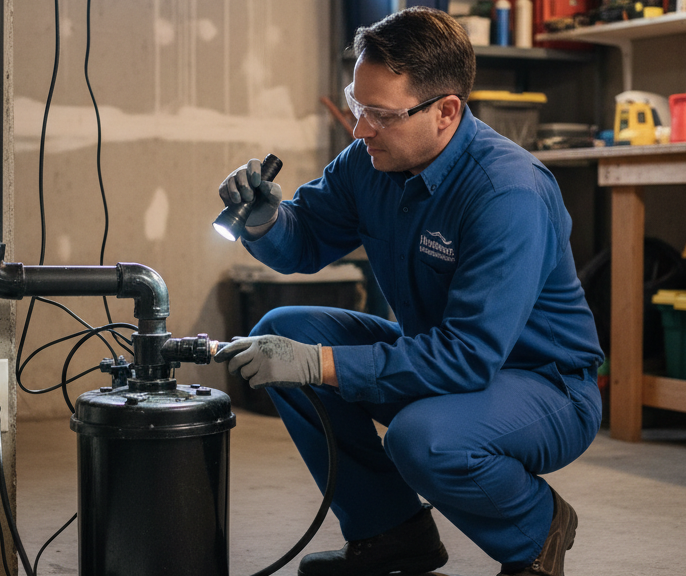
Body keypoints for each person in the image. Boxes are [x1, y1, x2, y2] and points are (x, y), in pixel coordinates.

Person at [213, 7, 604, 576]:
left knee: (424, 439)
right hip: (443, 357)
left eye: (379, 114)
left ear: (447, 112)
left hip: (544, 385)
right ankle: (391, 534)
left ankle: (535, 529)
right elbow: (307, 240)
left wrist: (320, 364)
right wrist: (265, 222)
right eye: (356, 105)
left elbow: (469, 356)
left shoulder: (506, 193)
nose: (360, 127)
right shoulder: (370, 161)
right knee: (284, 332)